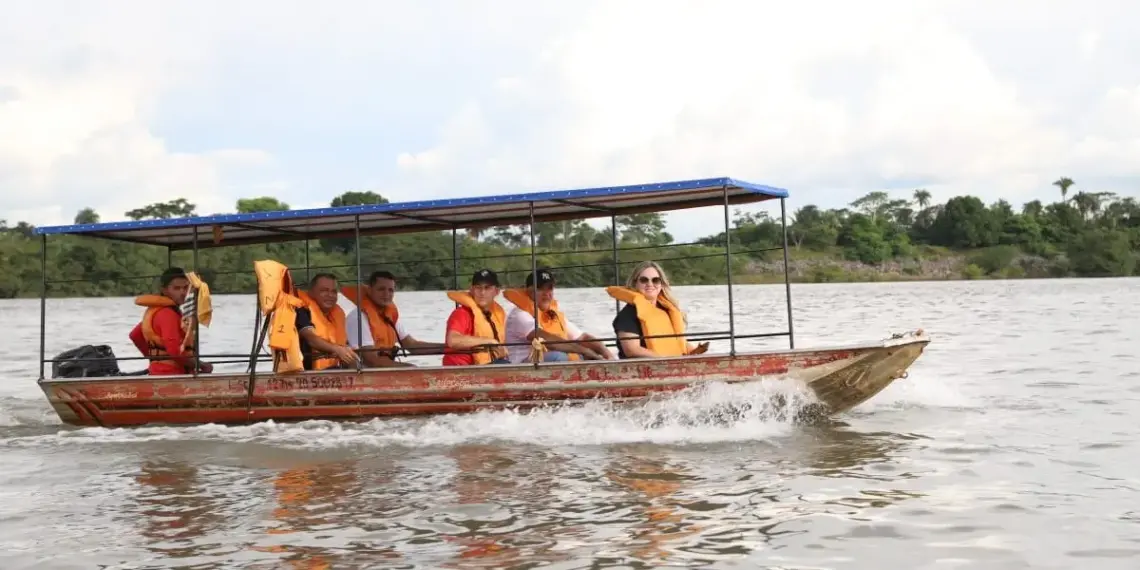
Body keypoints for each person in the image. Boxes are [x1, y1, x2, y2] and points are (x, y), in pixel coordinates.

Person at [503, 268, 615, 363]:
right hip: (524, 365)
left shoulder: (553, 314)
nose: (546, 293)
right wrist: (583, 350)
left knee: (590, 352)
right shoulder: (520, 315)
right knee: (558, 356)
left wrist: (605, 352)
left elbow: (582, 337)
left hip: (548, 361)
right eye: (540, 288)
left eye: (549, 288)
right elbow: (548, 340)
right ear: (528, 290)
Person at [343, 270, 445, 367]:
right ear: (369, 290)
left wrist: (448, 347)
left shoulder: (389, 316)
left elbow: (412, 345)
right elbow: (371, 360)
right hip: (364, 375)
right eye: (381, 289)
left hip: (386, 372)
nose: (386, 294)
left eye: (390, 290)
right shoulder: (358, 318)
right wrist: (411, 368)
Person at [606, 261, 708, 359]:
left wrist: (694, 352)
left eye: (655, 280)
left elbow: (675, 342)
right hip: (645, 369)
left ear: (662, 284)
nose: (650, 284)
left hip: (673, 365)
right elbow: (631, 349)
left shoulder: (667, 309)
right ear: (635, 283)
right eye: (644, 280)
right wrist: (666, 359)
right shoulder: (627, 315)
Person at [129, 267, 213, 375]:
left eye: (186, 287)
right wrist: (201, 365)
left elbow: (135, 335)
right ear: (164, 290)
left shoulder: (157, 311)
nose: (183, 292)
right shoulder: (168, 314)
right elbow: (175, 352)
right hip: (171, 374)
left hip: (158, 372)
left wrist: (155, 358)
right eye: (176, 288)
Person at [442, 269, 509, 366]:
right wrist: (489, 341)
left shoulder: (497, 313)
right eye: (478, 288)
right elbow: (452, 340)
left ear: (496, 291)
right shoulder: (461, 313)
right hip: (461, 371)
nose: (482, 292)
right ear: (472, 290)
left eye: (487, 288)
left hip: (487, 367)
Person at [294, 273, 358, 370]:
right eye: (324, 291)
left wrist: (349, 356)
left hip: (334, 371)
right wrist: (337, 350)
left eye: (334, 292)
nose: (330, 295)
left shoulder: (337, 313)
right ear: (311, 292)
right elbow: (311, 339)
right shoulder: (301, 309)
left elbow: (343, 343)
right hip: (307, 375)